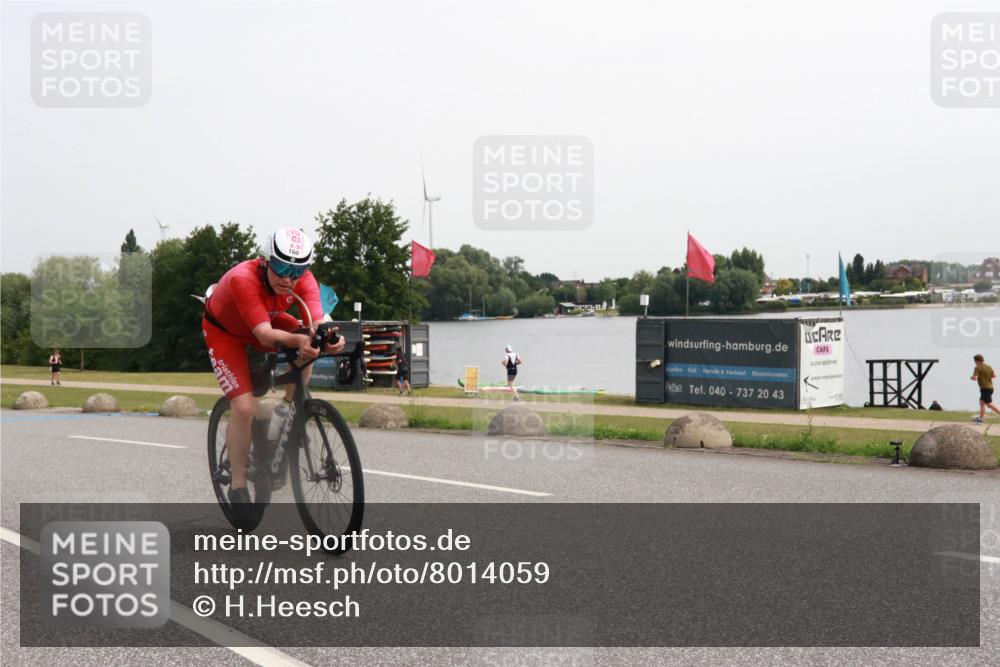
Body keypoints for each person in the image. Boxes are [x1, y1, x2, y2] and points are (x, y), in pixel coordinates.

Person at [202, 227, 345, 519]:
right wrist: (300, 340)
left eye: (296, 270)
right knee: (243, 407)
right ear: (265, 261)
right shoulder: (244, 278)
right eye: (280, 267)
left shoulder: (304, 280)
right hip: (227, 332)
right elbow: (265, 335)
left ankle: (286, 412)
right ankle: (238, 483)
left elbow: (316, 321)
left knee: (310, 339)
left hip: (266, 320)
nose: (287, 278)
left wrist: (328, 338)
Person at [971, 354, 999, 424]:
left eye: (975, 361)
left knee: (989, 404)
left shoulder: (977, 367)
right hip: (990, 387)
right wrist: (986, 378)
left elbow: (975, 377)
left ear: (977, 361)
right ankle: (980, 418)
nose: (975, 362)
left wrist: (972, 377)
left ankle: (981, 419)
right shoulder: (988, 367)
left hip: (985, 388)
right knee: (982, 403)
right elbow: (994, 375)